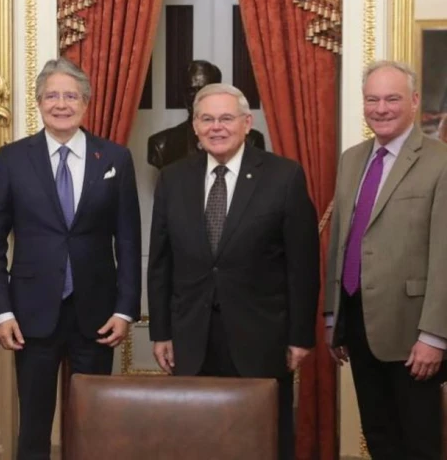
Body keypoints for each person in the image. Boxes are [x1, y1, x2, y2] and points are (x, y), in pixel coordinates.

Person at [148, 83, 319, 460]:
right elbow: (161, 263)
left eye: (226, 118)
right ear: (194, 126)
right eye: (207, 119)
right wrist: (160, 332)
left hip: (262, 338)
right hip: (192, 338)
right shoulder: (173, 179)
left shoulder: (284, 176)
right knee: (196, 439)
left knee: (263, 440)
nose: (216, 127)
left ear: (247, 123)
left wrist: (300, 336)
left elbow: (303, 265)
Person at [0, 58, 141, 460]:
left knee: (93, 420)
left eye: (71, 95)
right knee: (34, 424)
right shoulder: (14, 159)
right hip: (30, 315)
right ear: (38, 102)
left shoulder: (115, 158)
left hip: (97, 315)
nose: (61, 103)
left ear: (85, 103)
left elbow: (128, 239)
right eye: (52, 95)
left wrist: (125, 310)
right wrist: (1, 312)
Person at [325, 60, 447, 460]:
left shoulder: (439, 161)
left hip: (413, 332)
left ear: (414, 101)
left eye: (392, 98)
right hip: (358, 324)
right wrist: (333, 316)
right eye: (372, 99)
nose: (381, 108)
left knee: (419, 444)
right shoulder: (352, 158)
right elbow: (341, 239)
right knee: (379, 438)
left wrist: (434, 335)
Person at [147, 60, 265, 169]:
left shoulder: (251, 140)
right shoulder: (162, 144)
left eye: (205, 90)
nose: (198, 97)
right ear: (183, 94)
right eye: (191, 91)